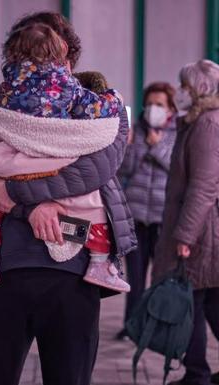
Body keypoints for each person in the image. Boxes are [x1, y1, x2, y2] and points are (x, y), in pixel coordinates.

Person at [0, 12, 136, 385]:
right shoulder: (94, 108)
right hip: (15, 268)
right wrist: (34, 205)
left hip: (62, 270)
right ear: (64, 57)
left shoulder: (3, 102)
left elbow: (96, 169)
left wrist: (21, 196)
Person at [0, 22, 129, 294]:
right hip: (58, 170)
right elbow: (97, 110)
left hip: (12, 174)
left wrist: (15, 191)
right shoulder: (71, 89)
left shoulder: (4, 90)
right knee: (96, 210)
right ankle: (100, 264)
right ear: (63, 56)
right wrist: (114, 98)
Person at [151, 59, 219, 385]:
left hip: (202, 233)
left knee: (190, 302)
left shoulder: (207, 125)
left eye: (184, 86)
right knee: (210, 303)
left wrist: (185, 236)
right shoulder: (197, 122)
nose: (180, 91)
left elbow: (204, 186)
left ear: (198, 89)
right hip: (206, 231)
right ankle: (198, 373)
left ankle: (197, 375)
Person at [116, 82, 178, 340]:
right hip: (136, 214)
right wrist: (129, 145)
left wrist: (157, 147)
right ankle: (132, 326)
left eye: (159, 104)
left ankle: (158, 327)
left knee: (162, 275)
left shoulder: (178, 132)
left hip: (163, 216)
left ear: (170, 108)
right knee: (135, 276)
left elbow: (177, 168)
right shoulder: (136, 129)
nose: (153, 109)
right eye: (150, 103)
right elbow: (125, 170)